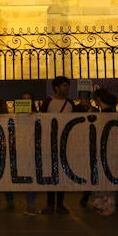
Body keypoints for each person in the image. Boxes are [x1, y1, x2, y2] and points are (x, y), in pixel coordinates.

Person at [39, 76, 76, 214]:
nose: (66, 89)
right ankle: (50, 203)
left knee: (61, 173)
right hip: (49, 143)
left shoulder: (70, 103)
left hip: (65, 144)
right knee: (50, 172)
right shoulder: (48, 101)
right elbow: (40, 119)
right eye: (64, 86)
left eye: (67, 86)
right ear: (57, 87)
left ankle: (60, 203)